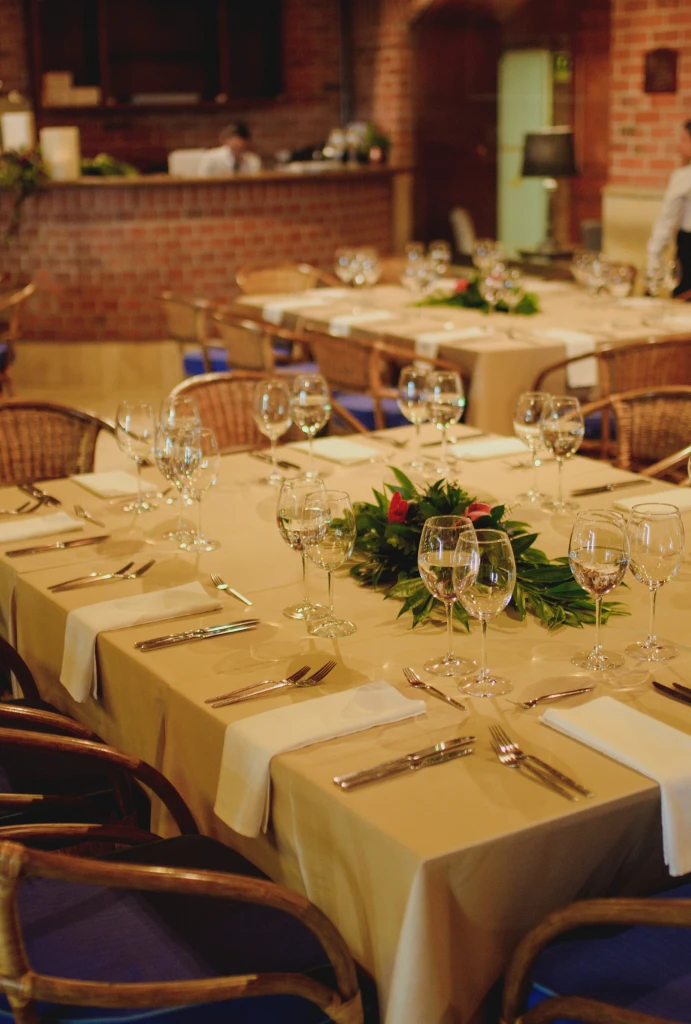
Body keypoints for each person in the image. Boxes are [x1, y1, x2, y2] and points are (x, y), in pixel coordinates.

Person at [646, 120, 691, 297]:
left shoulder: (684, 178)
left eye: (684, 139)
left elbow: (666, 222)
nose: (679, 146)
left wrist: (652, 265)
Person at [197, 122, 261, 177]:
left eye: (241, 147)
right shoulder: (211, 158)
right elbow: (201, 180)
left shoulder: (252, 161)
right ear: (226, 140)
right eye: (235, 146)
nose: (238, 148)